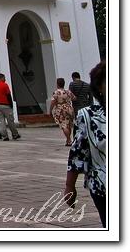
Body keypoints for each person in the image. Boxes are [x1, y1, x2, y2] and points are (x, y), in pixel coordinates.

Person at [65, 61, 106, 227]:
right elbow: (78, 153)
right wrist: (70, 186)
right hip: (104, 186)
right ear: (100, 88)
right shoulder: (89, 116)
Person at [0, 73, 20, 141]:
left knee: (1, 122)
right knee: (10, 121)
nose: (5, 79)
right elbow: (8, 95)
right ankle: (15, 134)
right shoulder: (5, 85)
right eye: (4, 78)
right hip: (6, 105)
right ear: (1, 78)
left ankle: (4, 136)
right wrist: (11, 104)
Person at [49, 77, 77, 146]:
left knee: (64, 125)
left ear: (57, 84)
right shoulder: (68, 91)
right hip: (69, 108)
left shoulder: (56, 92)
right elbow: (74, 98)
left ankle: (69, 140)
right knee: (69, 124)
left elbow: (53, 102)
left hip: (60, 109)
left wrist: (50, 110)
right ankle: (68, 140)